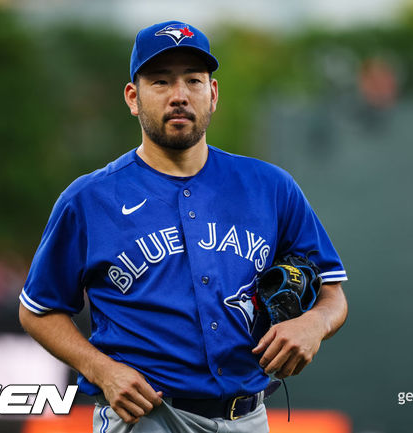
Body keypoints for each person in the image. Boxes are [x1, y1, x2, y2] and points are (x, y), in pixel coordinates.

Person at [19, 20, 348, 433]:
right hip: (146, 417)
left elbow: (333, 295)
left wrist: (313, 323)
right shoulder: (89, 199)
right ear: (133, 98)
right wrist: (100, 369)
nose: (179, 95)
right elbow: (39, 310)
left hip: (249, 417)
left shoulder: (271, 187)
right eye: (160, 82)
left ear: (212, 94)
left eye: (193, 80)